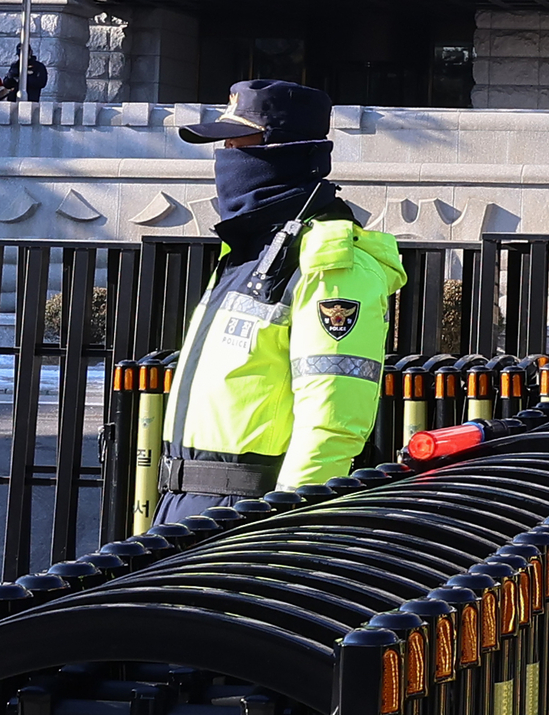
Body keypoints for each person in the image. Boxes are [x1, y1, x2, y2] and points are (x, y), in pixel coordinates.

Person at [151, 79, 405, 524]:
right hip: (190, 508)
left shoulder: (329, 262)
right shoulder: (252, 250)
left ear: (286, 151)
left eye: (238, 141)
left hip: (252, 517)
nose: (225, 153)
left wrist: (284, 534)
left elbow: (331, 424)